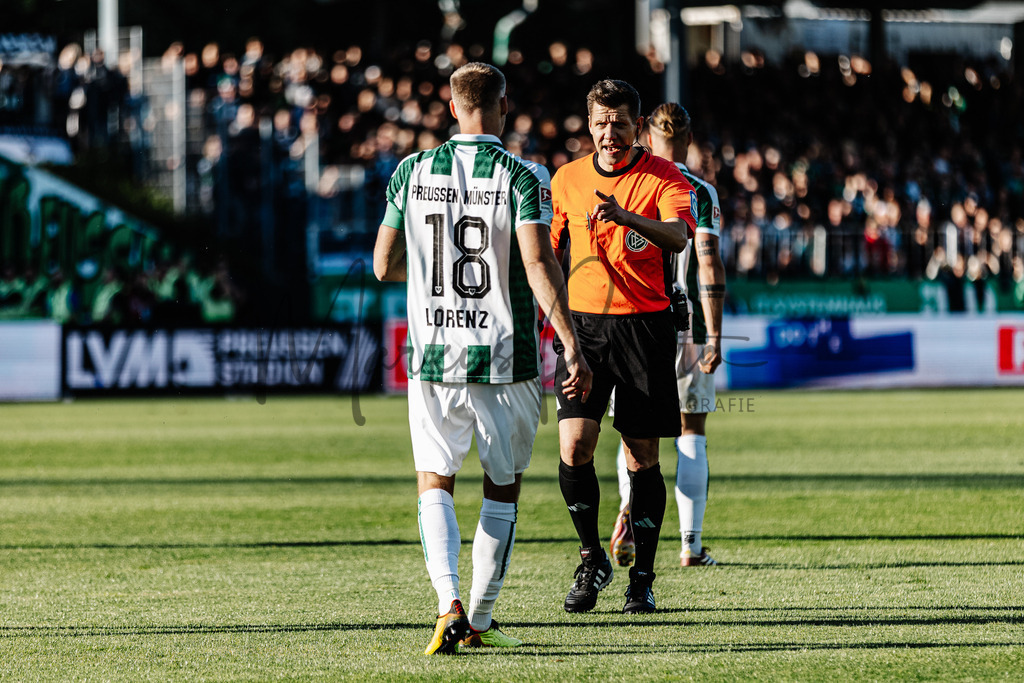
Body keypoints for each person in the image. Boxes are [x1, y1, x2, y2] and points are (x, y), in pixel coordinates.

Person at [373, 62, 591, 654]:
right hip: (505, 354)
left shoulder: (411, 171)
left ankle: (447, 604)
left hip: (433, 353)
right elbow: (537, 263)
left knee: (434, 480)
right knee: (503, 486)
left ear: (451, 107)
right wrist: (570, 339)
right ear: (503, 104)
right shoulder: (524, 176)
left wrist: (427, 278)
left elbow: (382, 264)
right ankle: (483, 619)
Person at [549, 80, 696, 615]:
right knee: (574, 448)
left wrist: (625, 216)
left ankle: (644, 578)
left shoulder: (664, 175)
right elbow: (547, 254)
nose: (610, 133)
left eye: (620, 123)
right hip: (584, 330)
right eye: (600, 123)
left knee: (642, 457)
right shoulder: (566, 180)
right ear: (588, 126)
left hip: (644, 328)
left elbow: (679, 237)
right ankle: (591, 559)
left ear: (638, 127)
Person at [609, 102, 726, 571]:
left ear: (646, 135)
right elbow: (710, 260)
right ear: (689, 139)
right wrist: (713, 334)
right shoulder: (699, 190)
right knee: (691, 431)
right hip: (686, 325)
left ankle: (629, 512)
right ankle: (691, 545)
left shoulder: (632, 182)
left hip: (634, 321)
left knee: (634, 431)